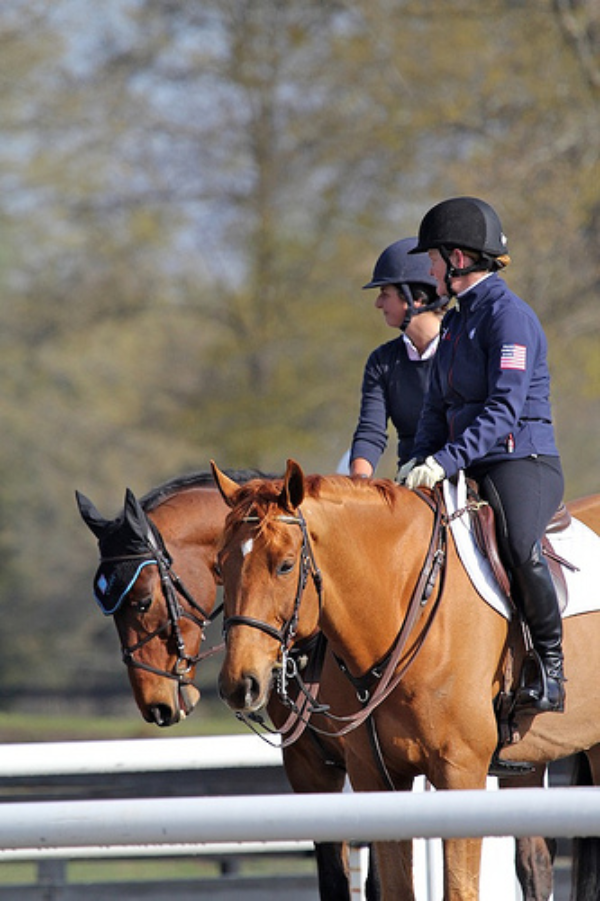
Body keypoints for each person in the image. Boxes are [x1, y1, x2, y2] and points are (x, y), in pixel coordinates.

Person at [398, 196, 565, 714]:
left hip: (521, 461)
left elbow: (503, 412)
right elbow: (433, 408)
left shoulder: (508, 318)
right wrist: (417, 459)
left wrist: (444, 462)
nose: (427, 267)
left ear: (460, 259)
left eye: (433, 258)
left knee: (518, 546)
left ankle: (551, 666)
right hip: (464, 460)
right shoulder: (452, 323)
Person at [349, 237, 448, 478]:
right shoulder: (381, 361)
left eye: (385, 293)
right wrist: (358, 484)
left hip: (465, 475)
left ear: (416, 298)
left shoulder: (465, 349)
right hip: (412, 480)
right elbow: (371, 432)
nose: (378, 303)